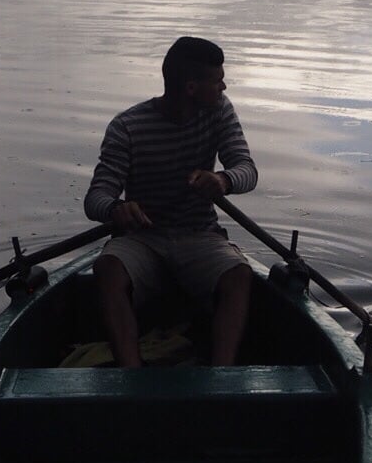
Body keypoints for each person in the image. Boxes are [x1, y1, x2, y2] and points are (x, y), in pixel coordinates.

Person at [84, 36, 257, 366]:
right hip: (143, 239)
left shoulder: (220, 111)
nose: (224, 86)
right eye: (217, 80)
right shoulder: (127, 127)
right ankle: (131, 377)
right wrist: (116, 209)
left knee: (239, 275)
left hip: (199, 234)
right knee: (107, 269)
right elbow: (96, 199)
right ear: (191, 88)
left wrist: (222, 180)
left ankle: (222, 376)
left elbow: (247, 169)